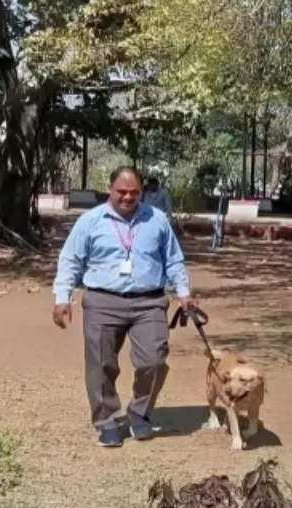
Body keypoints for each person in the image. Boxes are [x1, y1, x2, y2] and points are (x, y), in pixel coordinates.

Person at [53, 166, 197, 448]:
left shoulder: (157, 219)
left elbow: (173, 259)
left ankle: (139, 412)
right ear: (110, 190)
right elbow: (70, 260)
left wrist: (184, 293)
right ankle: (106, 420)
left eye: (134, 192)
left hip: (149, 301)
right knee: (101, 364)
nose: (128, 197)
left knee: (154, 360)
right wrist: (62, 298)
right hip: (102, 301)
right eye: (122, 192)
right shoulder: (90, 221)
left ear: (142, 192)